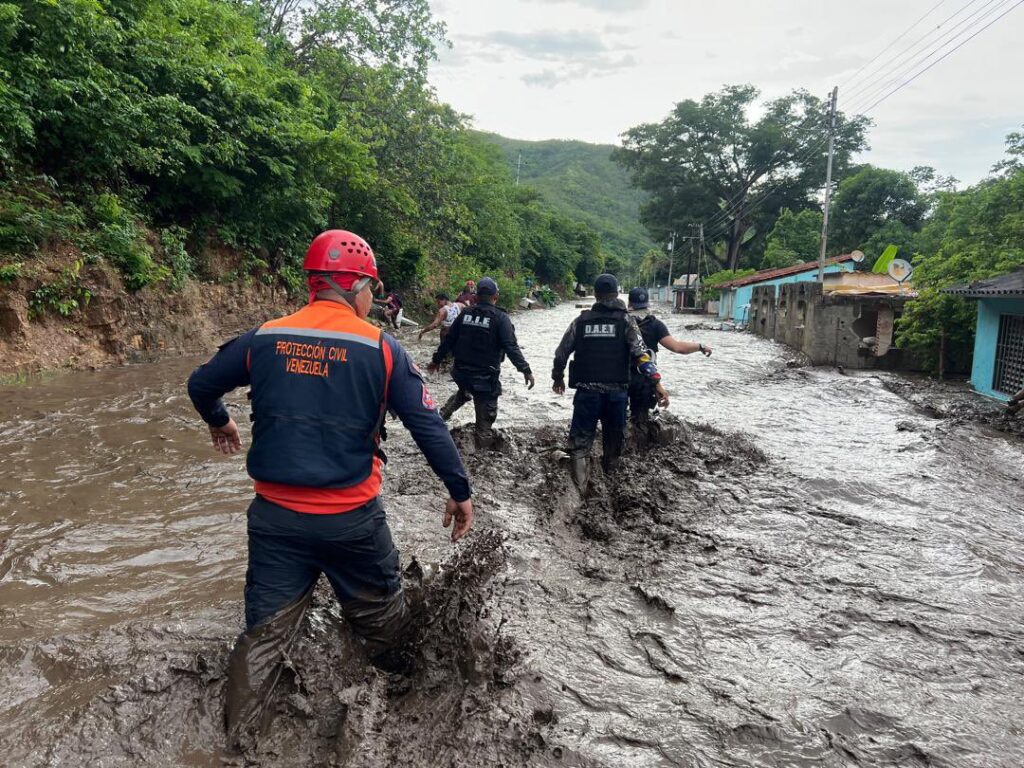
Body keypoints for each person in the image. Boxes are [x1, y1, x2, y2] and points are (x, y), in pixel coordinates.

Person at [186, 230, 474, 745]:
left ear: (315, 285)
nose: (375, 297)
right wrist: (459, 490)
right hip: (352, 522)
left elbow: (201, 383)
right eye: (374, 287)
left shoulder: (264, 337)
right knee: (386, 627)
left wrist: (220, 420)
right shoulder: (381, 347)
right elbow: (428, 426)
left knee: (264, 640)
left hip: (275, 521)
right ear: (357, 285)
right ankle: (405, 718)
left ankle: (235, 745)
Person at [552, 273, 666, 489]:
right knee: (613, 445)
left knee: (580, 446)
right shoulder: (626, 322)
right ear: (616, 294)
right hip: (616, 397)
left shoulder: (580, 322)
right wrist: (656, 383)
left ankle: (581, 491)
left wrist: (558, 377)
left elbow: (561, 354)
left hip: (587, 395)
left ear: (595, 295)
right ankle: (612, 490)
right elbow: (642, 356)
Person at [428, 277, 534, 448]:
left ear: (476, 297)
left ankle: (438, 420)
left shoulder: (465, 314)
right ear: (496, 296)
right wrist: (526, 370)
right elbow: (511, 347)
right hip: (485, 379)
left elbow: (449, 340)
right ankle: (481, 451)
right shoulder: (501, 318)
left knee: (464, 391)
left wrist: (436, 360)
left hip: (461, 373)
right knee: (484, 426)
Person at [626, 287, 712, 445]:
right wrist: (700, 346)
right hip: (645, 379)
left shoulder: (621, 322)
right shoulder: (655, 325)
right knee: (640, 421)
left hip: (619, 379)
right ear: (647, 304)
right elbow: (678, 347)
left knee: (616, 420)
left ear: (629, 303)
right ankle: (639, 451)